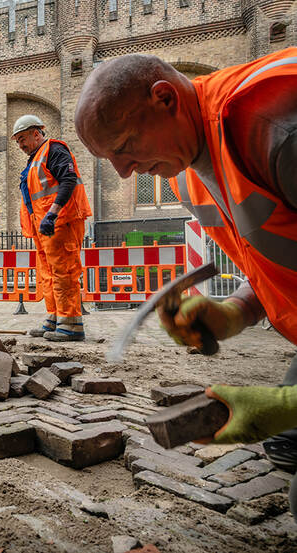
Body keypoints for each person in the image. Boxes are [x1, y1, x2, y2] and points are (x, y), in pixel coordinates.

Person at [74, 49, 297, 480]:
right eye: (111, 160)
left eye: (125, 147)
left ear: (165, 98)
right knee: (287, 443)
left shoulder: (277, 129)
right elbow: (277, 256)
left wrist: (287, 405)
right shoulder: (188, 170)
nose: (124, 174)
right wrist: (236, 312)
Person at [11, 114, 92, 341]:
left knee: (64, 271)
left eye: (22, 139)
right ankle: (55, 318)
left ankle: (71, 324)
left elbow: (68, 180)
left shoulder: (54, 150)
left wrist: (52, 214)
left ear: (36, 134)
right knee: (48, 273)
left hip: (60, 223)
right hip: (45, 227)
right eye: (17, 141)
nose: (20, 145)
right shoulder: (36, 157)